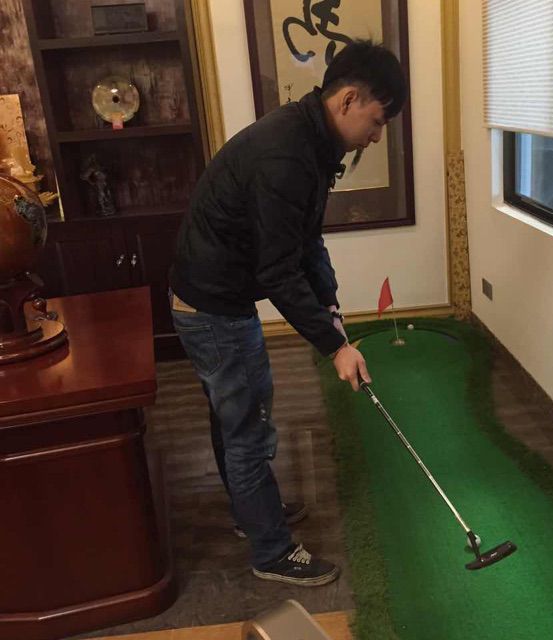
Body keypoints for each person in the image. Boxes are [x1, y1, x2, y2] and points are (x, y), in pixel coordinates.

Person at [168, 40, 407, 587]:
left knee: (235, 418)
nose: (377, 136)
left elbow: (305, 239)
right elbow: (277, 270)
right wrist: (334, 346)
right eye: (377, 121)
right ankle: (271, 551)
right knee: (248, 426)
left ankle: (251, 512)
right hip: (212, 306)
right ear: (348, 100)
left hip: (215, 297)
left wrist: (330, 305)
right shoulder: (286, 153)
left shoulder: (311, 140)